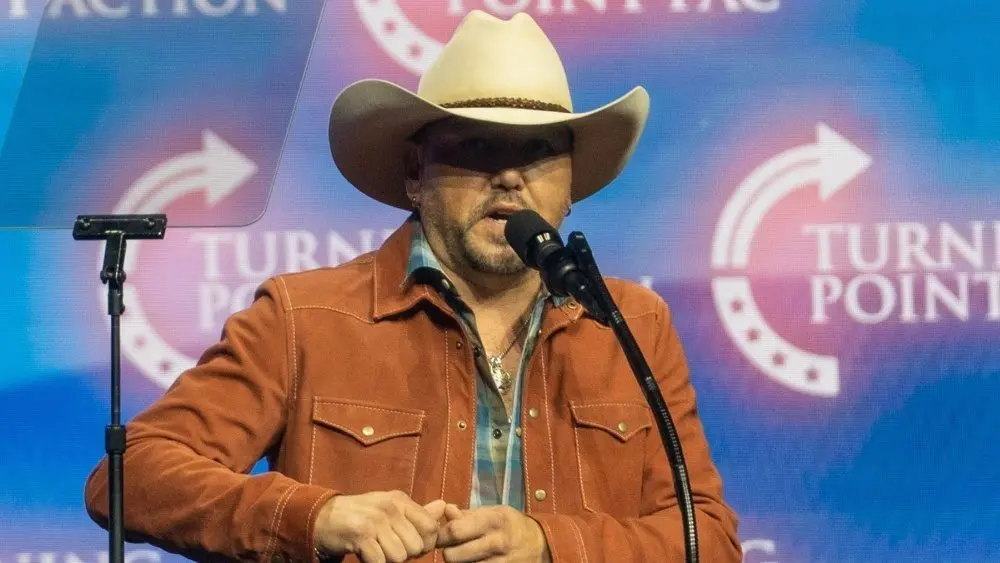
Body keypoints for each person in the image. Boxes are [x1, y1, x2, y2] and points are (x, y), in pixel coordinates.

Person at [85, 10, 741, 563]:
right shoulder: (302, 316)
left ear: (569, 187)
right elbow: (130, 474)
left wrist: (551, 543)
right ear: (413, 173)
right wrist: (316, 516)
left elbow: (707, 537)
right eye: (478, 148)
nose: (510, 177)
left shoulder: (632, 321)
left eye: (538, 152)